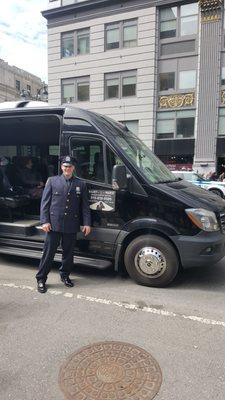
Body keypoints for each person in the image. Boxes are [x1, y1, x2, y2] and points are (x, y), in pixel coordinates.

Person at [36, 156, 91, 293]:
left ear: (74, 168)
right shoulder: (52, 181)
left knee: (68, 254)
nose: (67, 169)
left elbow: (84, 207)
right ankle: (41, 279)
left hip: (71, 225)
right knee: (48, 254)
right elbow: (45, 203)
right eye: (65, 166)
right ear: (61, 167)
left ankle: (65, 275)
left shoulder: (81, 184)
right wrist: (44, 221)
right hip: (54, 225)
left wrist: (87, 223)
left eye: (70, 166)